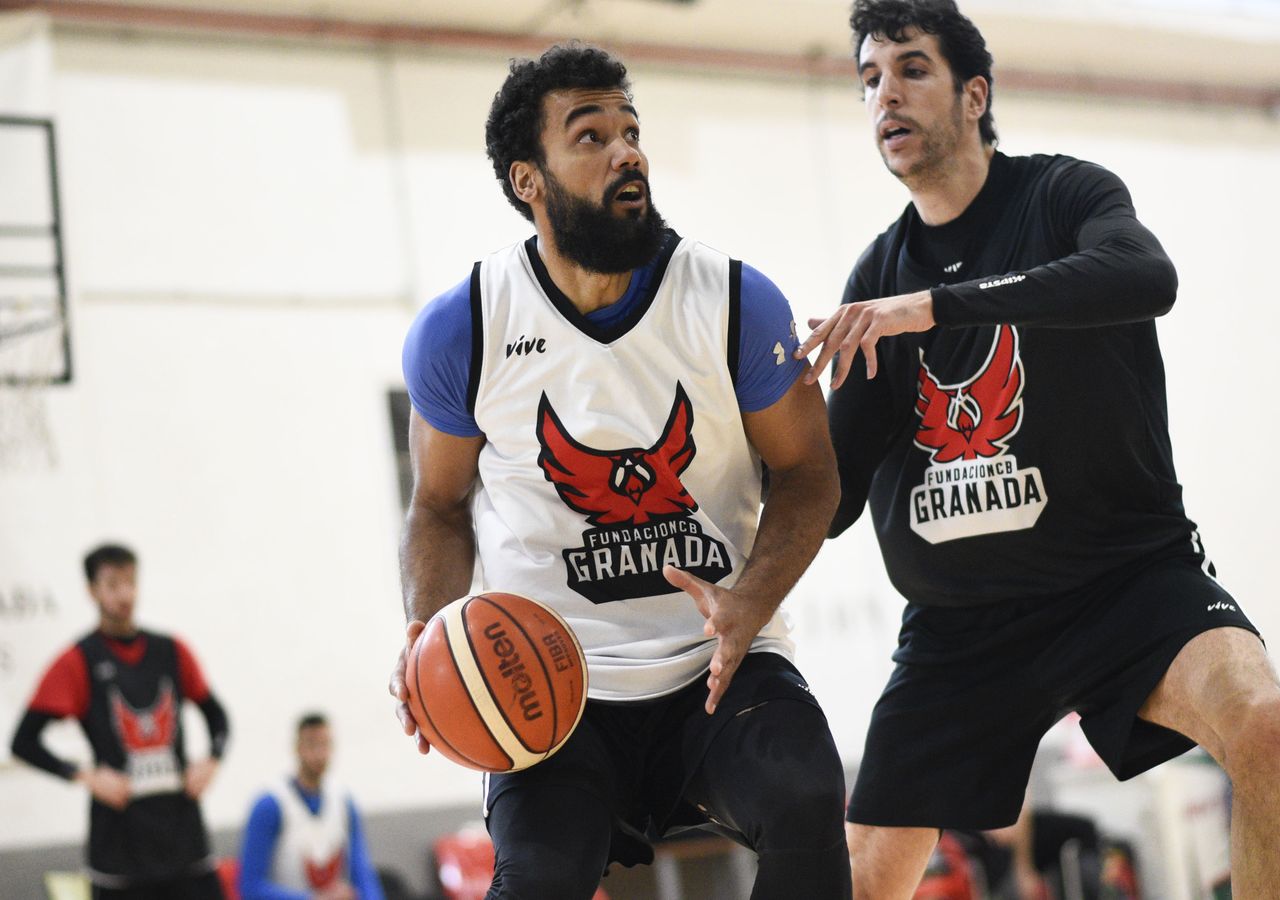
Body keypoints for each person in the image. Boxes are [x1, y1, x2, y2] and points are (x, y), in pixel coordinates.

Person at [796, 2, 1280, 897]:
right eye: (869, 80)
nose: (885, 94)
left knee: (1262, 719)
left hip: (1123, 584)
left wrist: (938, 308)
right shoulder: (877, 278)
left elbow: (1144, 277)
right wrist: (757, 441)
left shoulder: (1065, 195)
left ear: (974, 95)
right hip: (962, 625)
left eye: (911, 69)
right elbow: (832, 497)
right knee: (864, 871)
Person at [390, 42, 849, 900]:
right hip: (550, 681)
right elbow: (439, 507)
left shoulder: (733, 302)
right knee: (539, 876)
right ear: (530, 179)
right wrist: (427, 634)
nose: (626, 150)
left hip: (717, 662)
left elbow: (809, 472)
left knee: (807, 795)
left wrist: (750, 599)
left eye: (630, 130)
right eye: (590, 135)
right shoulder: (468, 327)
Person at [8, 543, 230, 899]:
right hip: (121, 849)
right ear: (92, 590)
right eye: (112, 584)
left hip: (183, 839)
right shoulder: (78, 660)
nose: (124, 594)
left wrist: (212, 760)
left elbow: (217, 716)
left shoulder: (170, 650)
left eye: (130, 582)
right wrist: (84, 775)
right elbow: (23, 741)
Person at [236, 713, 384, 900]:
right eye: (312, 745)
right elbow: (250, 887)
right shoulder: (270, 805)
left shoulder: (343, 802)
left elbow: (362, 874)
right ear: (297, 748)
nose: (319, 754)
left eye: (325, 745)